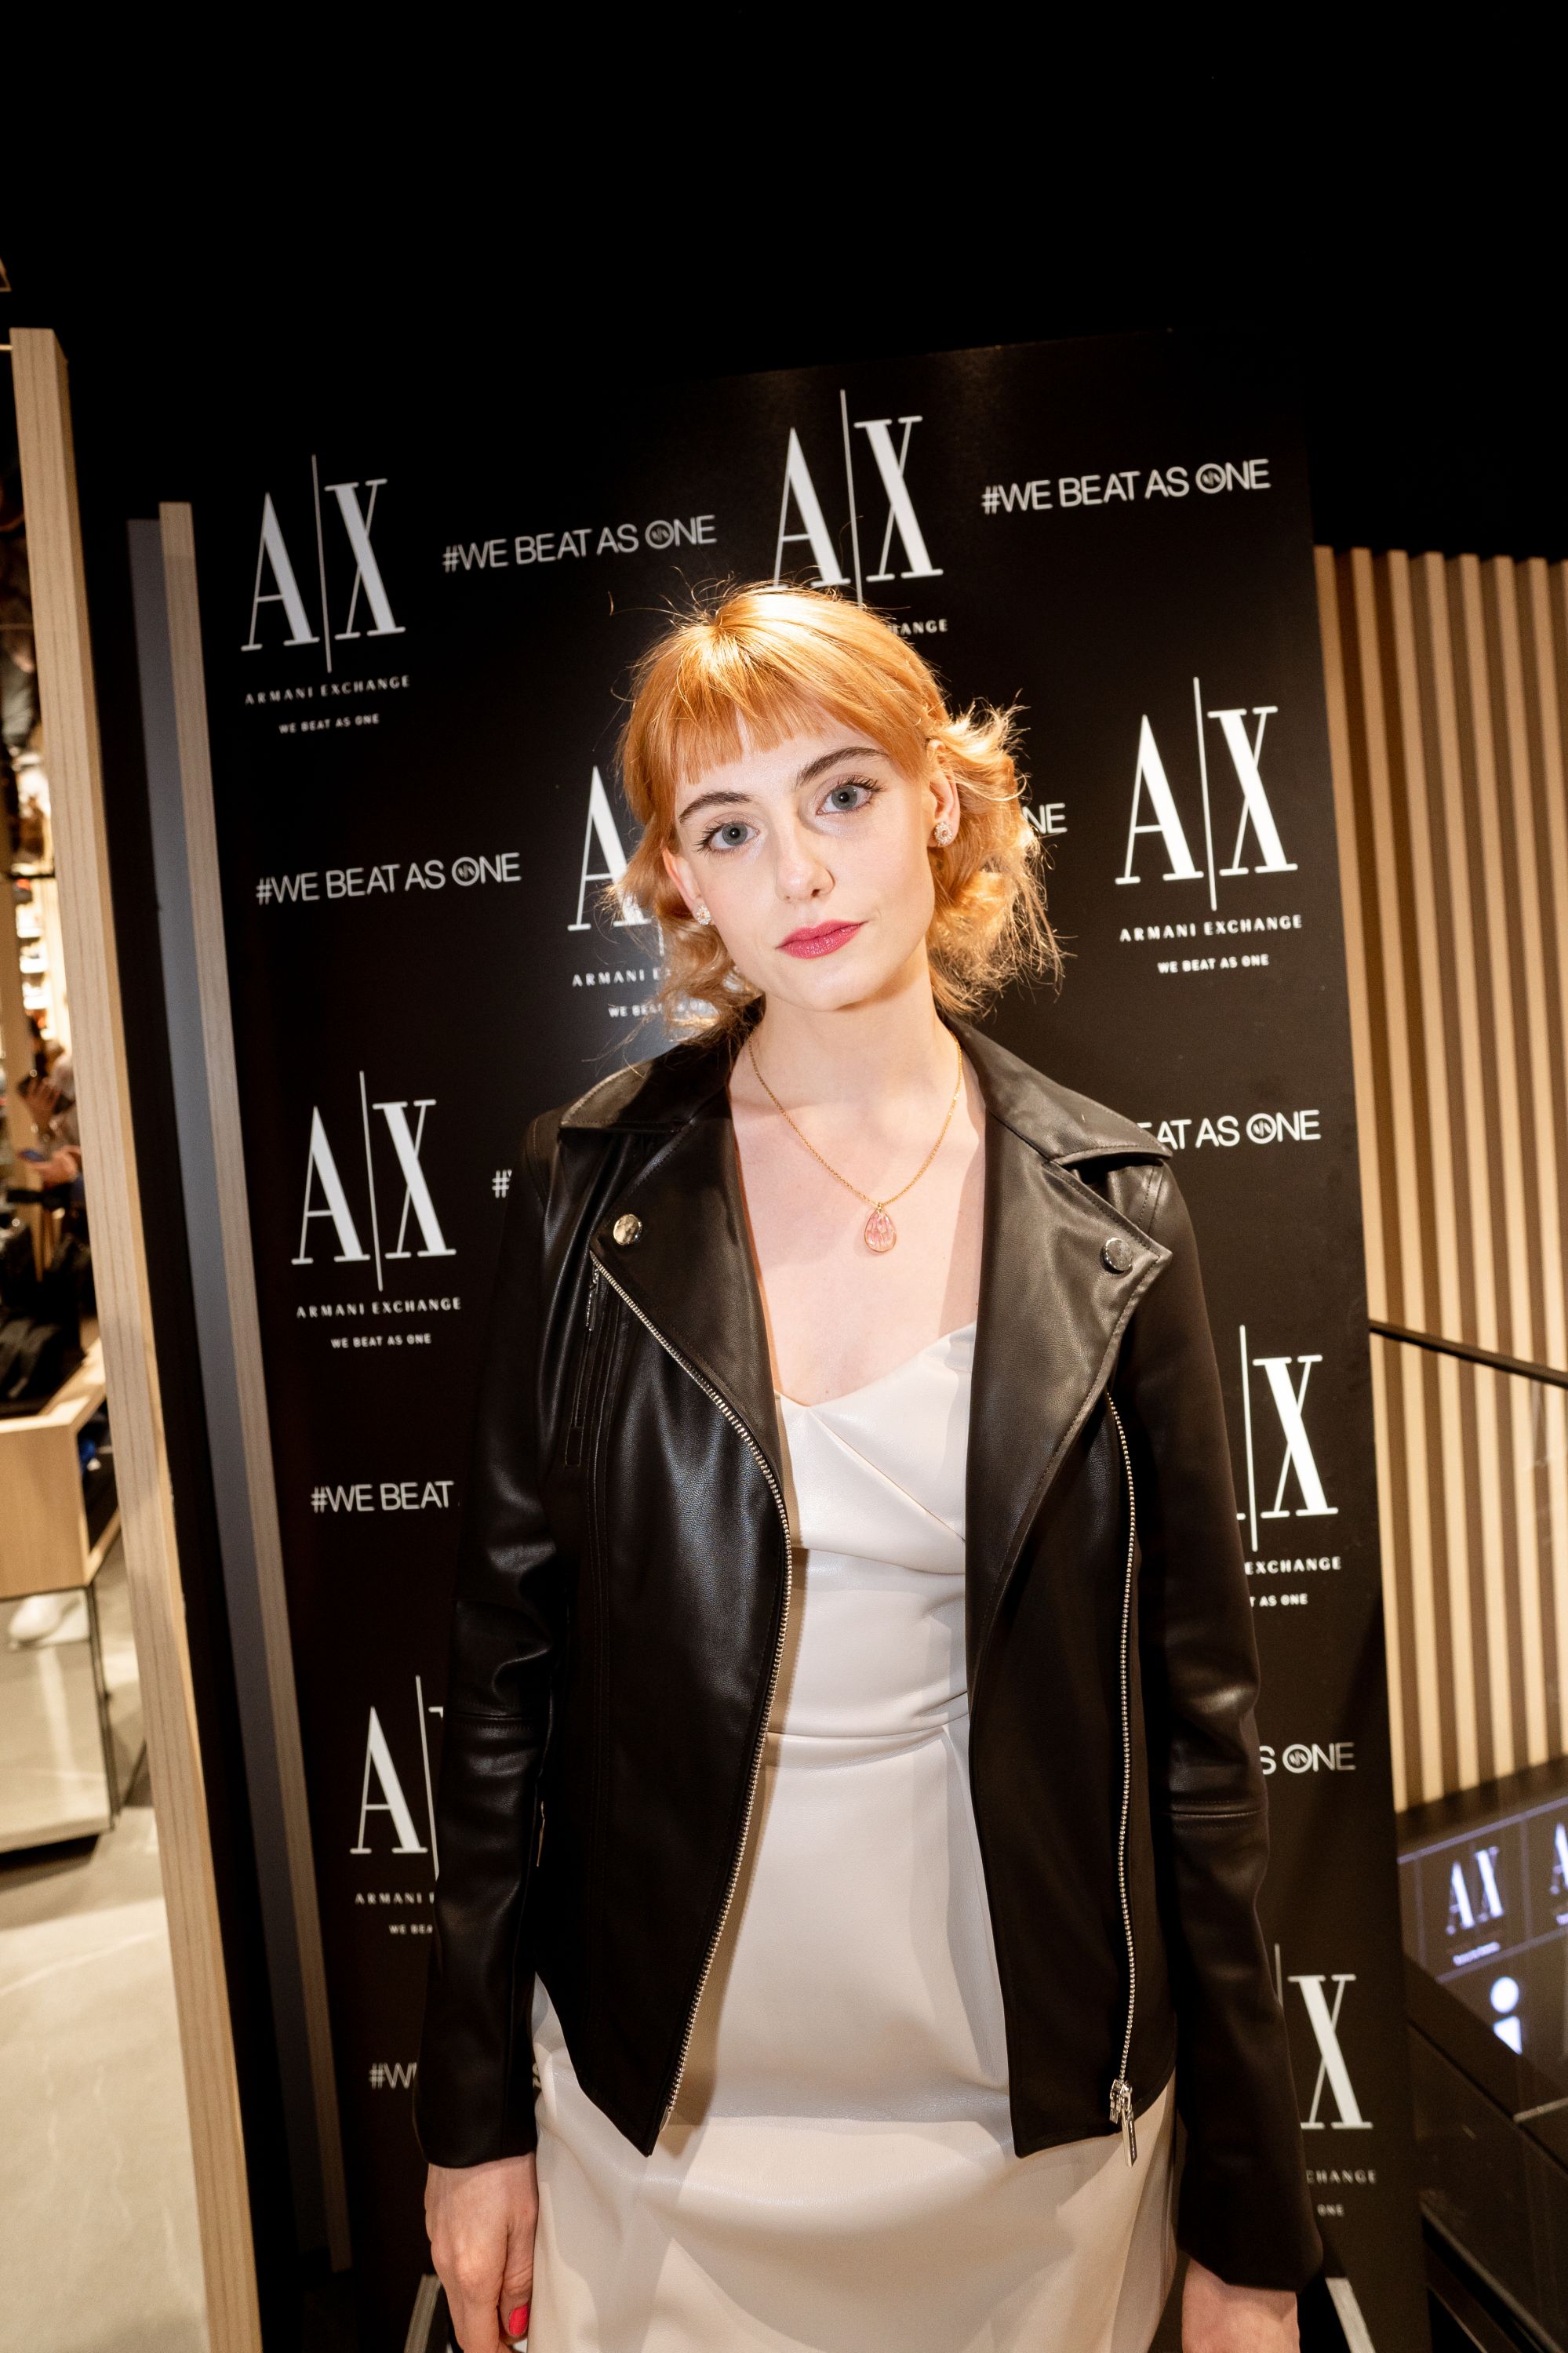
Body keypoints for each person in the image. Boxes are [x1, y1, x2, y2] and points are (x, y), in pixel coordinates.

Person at [415, 587, 1321, 2351]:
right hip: (659, 2097)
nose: (803, 871)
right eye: (730, 829)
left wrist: (1249, 2219)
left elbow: (1202, 1751)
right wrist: (471, 2122)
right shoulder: (586, 1191)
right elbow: (498, 1688)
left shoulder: (1117, 1211)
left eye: (841, 793)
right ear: (682, 883)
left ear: (941, 802)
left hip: (1024, 2110)